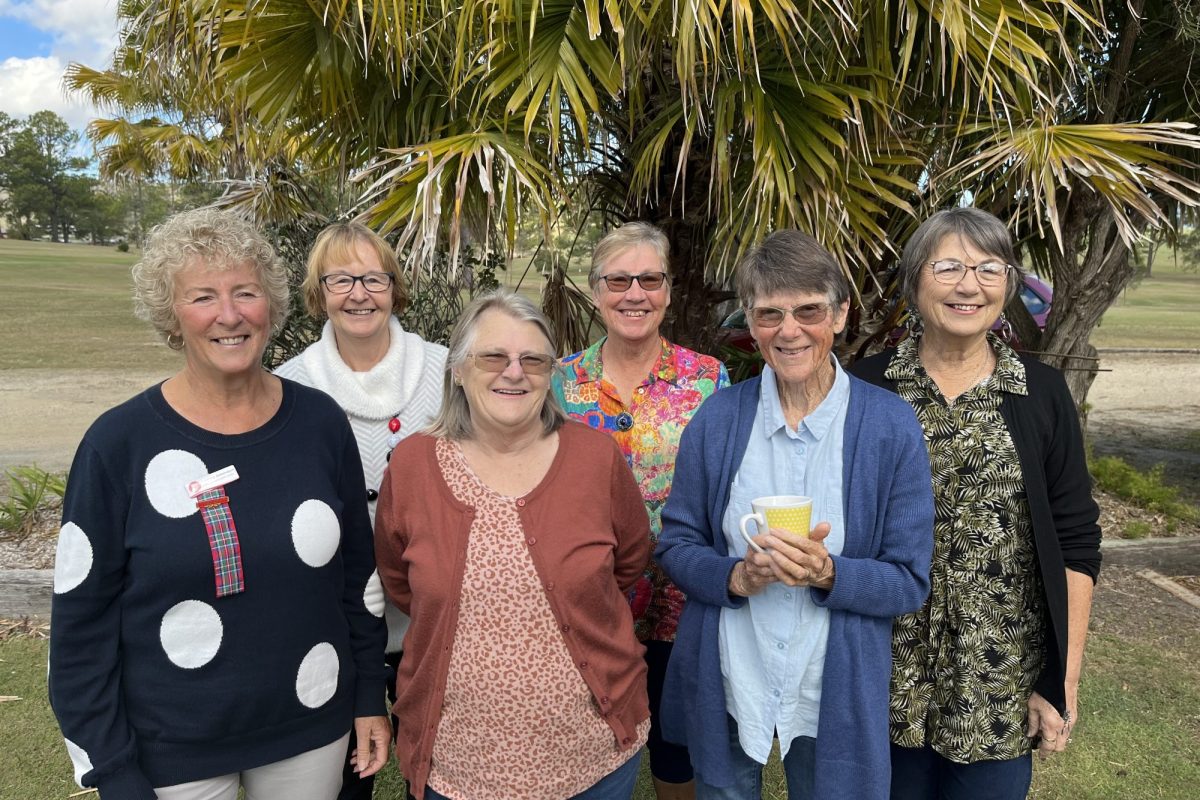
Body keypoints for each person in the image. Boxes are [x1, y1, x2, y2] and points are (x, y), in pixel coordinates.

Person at [48, 208, 390, 800]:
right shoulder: (118, 444)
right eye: (203, 296)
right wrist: (110, 767)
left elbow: (357, 580)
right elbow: (80, 628)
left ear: (271, 307)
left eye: (245, 293)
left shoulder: (319, 424)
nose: (229, 315)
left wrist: (367, 696)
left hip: (311, 724)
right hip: (172, 746)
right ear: (171, 316)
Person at [655, 230, 935, 800]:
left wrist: (828, 572)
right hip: (734, 673)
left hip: (831, 682)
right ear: (751, 323)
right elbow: (676, 546)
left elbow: (909, 581)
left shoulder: (888, 426)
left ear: (839, 315)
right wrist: (737, 575)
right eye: (769, 314)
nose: (789, 330)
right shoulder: (717, 420)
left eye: (808, 310)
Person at [850, 207, 1102, 800]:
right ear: (914, 282)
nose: (970, 284)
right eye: (949, 266)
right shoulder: (864, 387)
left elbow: (1076, 541)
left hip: (999, 679)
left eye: (990, 268)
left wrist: (1061, 679)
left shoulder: (1041, 393)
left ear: (1008, 285)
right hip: (883, 676)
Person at [374, 290, 652, 800]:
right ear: (458, 368)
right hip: (457, 761)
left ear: (551, 374)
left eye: (533, 359)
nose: (514, 372)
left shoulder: (595, 458)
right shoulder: (413, 465)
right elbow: (401, 582)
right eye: (493, 357)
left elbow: (628, 561)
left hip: (591, 755)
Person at [553, 221, 728, 799]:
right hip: (590, 606)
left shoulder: (709, 381)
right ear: (596, 290)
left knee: (676, 749)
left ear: (669, 290)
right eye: (619, 280)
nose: (635, 293)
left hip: (683, 601)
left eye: (649, 279)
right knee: (591, 750)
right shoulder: (561, 384)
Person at [276, 221, 447, 799]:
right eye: (341, 279)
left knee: (441, 772)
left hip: (432, 607)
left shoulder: (447, 372)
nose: (358, 293)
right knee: (348, 779)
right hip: (336, 615)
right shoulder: (288, 385)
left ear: (395, 287)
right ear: (318, 292)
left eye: (373, 278)